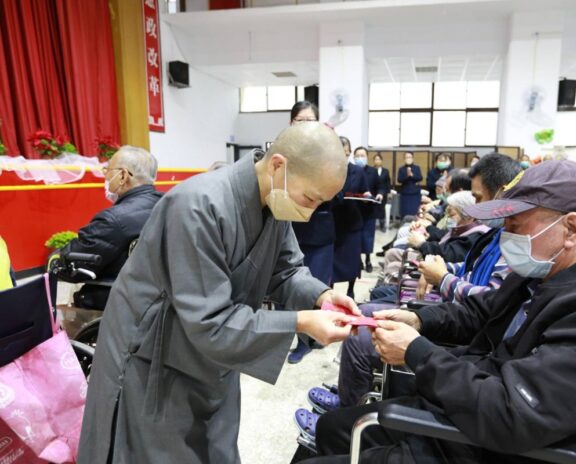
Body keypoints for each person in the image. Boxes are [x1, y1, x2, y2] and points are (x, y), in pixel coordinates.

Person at [300, 160, 576, 464]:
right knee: (333, 428)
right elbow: (480, 312)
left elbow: (513, 414)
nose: (506, 236)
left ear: (571, 229)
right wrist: (419, 319)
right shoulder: (542, 276)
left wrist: (416, 352)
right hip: (470, 412)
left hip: (493, 445)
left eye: (516, 225)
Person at [78, 123, 359, 464]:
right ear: (278, 166)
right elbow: (209, 320)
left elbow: (286, 270)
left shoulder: (275, 198)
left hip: (215, 350)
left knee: (215, 448)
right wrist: (300, 322)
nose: (310, 211)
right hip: (154, 356)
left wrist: (321, 297)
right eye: (310, 199)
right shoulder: (198, 205)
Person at [52, 146, 162, 310]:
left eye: (107, 170)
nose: (105, 176)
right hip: (159, 299)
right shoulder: (168, 205)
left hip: (117, 305)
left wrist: (56, 259)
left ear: (123, 176)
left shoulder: (113, 220)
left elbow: (72, 266)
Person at [286, 101, 336, 363]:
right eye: (300, 120)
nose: (304, 125)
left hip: (320, 232)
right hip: (290, 229)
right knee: (294, 288)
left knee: (316, 286)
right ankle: (303, 338)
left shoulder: (327, 152)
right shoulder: (283, 151)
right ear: (291, 123)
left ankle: (311, 338)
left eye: (310, 120)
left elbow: (335, 190)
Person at [332, 138, 369, 299]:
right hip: (333, 221)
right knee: (333, 260)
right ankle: (330, 289)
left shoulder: (358, 171)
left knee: (352, 259)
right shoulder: (328, 169)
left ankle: (351, 289)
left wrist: (367, 196)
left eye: (345, 150)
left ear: (349, 152)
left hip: (352, 220)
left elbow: (364, 190)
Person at [354, 147, 385, 273]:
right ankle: (358, 260)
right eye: (357, 156)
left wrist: (380, 193)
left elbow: (380, 186)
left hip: (369, 210)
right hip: (355, 209)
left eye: (362, 155)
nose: (360, 158)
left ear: (367, 157)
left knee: (368, 237)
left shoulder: (373, 171)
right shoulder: (351, 170)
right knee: (356, 237)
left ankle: (368, 259)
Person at [397, 152, 423, 218]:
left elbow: (420, 178)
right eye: (407, 157)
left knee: (415, 211)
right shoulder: (401, 169)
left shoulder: (417, 168)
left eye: (410, 157)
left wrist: (412, 175)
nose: (408, 159)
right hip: (405, 193)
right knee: (405, 211)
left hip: (415, 193)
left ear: (412, 158)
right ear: (404, 159)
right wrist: (407, 176)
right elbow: (399, 180)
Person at [373, 154, 391, 232]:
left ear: (381, 161)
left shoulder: (386, 171)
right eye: (376, 159)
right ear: (374, 161)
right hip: (373, 193)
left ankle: (382, 225)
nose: (377, 161)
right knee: (373, 209)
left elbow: (388, 183)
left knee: (382, 209)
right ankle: (372, 225)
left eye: (379, 159)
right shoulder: (371, 170)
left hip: (383, 193)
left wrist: (389, 193)